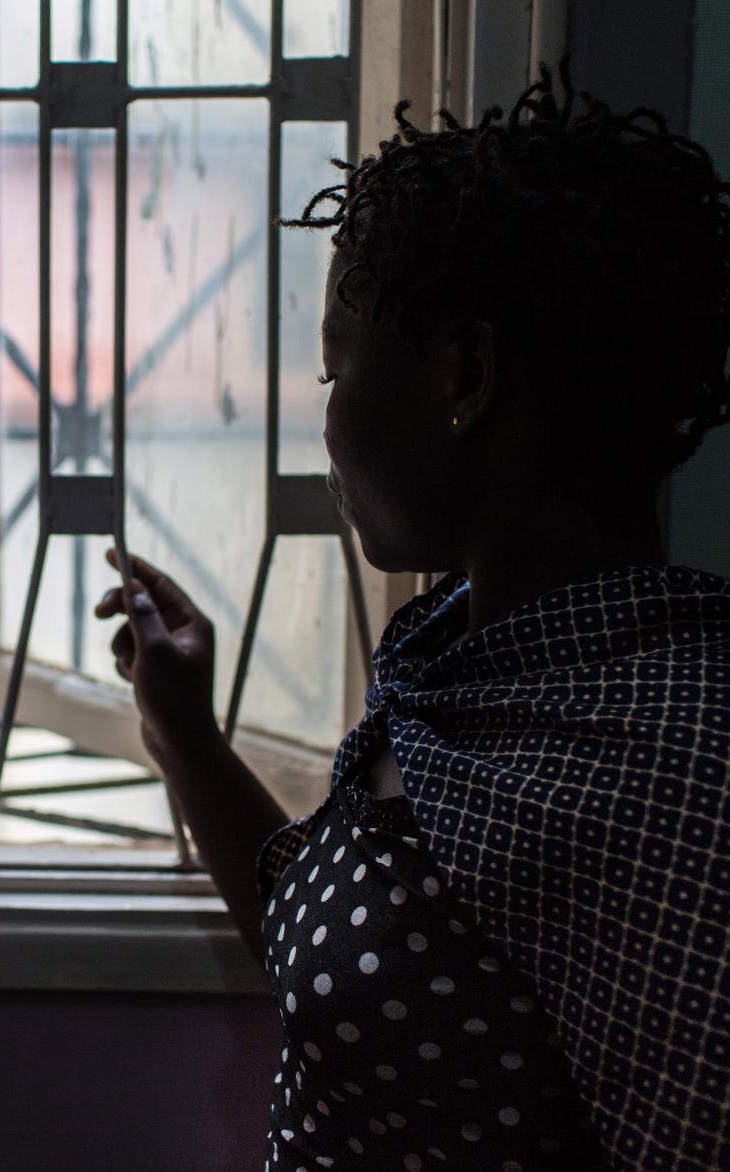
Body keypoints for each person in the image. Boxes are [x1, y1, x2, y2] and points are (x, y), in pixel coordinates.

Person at [99, 68, 730, 1171]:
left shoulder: (680, 762)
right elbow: (354, 970)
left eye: (337, 366)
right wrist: (186, 734)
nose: (325, 418)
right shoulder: (457, 658)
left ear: (467, 376)